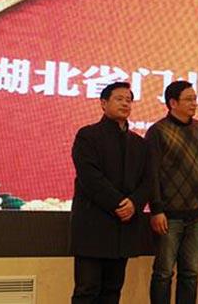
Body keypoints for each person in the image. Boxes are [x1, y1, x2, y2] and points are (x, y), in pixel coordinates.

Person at [70, 81, 150, 304]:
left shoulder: (139, 143)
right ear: (103, 103)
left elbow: (148, 181)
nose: (125, 104)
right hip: (93, 225)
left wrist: (134, 203)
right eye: (119, 99)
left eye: (129, 100)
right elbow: (89, 177)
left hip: (123, 228)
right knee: (87, 290)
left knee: (113, 291)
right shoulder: (88, 136)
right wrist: (119, 203)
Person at [146, 80, 198, 304]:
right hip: (168, 215)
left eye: (195, 99)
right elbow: (151, 174)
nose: (194, 103)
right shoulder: (158, 131)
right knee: (163, 273)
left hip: (196, 214)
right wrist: (156, 209)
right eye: (189, 99)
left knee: (190, 273)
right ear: (172, 103)